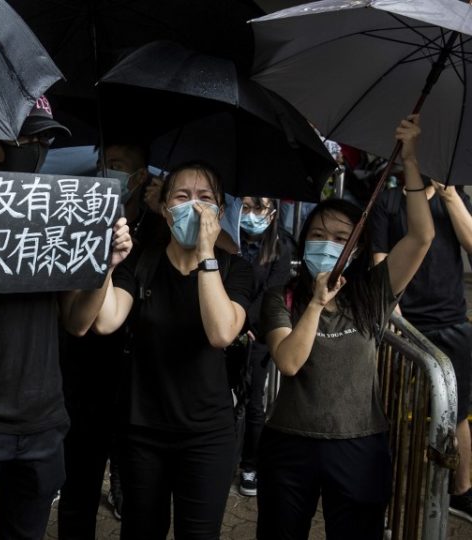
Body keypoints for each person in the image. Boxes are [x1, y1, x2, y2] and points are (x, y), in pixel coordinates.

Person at [0, 97, 132, 540]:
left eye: (44, 138)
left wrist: (107, 265)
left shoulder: (63, 214)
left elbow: (78, 323)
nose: (36, 146)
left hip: (44, 422)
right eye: (25, 136)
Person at [257, 116, 432, 540]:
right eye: (317, 234)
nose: (327, 243)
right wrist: (316, 303)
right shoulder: (282, 297)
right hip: (289, 443)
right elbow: (289, 362)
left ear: (356, 250)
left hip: (359, 445)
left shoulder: (373, 293)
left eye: (340, 238)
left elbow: (421, 236)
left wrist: (408, 161)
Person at [90, 162, 253, 539]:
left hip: (207, 435)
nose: (194, 207)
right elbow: (106, 320)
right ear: (164, 209)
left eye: (205, 198)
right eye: (182, 197)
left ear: (220, 212)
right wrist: (107, 267)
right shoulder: (142, 261)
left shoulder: (234, 270)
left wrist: (207, 254)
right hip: (142, 430)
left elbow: (221, 333)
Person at [57, 141, 153, 537]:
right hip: (85, 377)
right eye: (101, 164)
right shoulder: (79, 220)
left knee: (138, 497)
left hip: (143, 387)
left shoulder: (159, 229)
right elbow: (74, 316)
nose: (105, 172)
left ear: (140, 177)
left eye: (115, 164)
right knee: (78, 488)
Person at [369, 168, 472, 523]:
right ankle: (387, 493)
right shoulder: (389, 201)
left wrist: (451, 196)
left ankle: (462, 491)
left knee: (457, 412)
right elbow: (381, 264)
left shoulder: (453, 199)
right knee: (393, 410)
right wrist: (394, 317)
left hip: (452, 322)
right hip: (406, 326)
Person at [231, 197, 292, 497]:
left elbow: (272, 293)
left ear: (272, 212)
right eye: (247, 207)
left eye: (260, 209)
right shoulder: (226, 240)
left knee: (255, 403)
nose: (253, 215)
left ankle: (250, 466)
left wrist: (249, 324)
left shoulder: (280, 247)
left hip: (258, 335)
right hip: (229, 329)